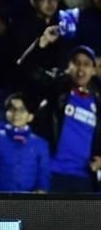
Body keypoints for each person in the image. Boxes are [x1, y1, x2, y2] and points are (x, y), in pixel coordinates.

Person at [19, 31, 100, 193]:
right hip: (52, 172)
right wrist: (42, 42)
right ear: (68, 67)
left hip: (84, 178)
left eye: (86, 64)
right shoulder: (56, 87)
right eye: (76, 63)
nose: (81, 68)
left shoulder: (98, 101)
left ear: (93, 70)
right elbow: (26, 70)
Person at [0, 93, 51, 193]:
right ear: (6, 113)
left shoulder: (40, 144)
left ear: (30, 117)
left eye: (22, 110)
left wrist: (42, 189)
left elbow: (44, 172)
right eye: (12, 109)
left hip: (28, 201)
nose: (16, 114)